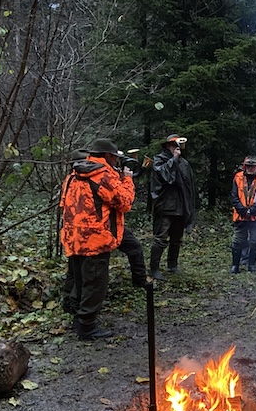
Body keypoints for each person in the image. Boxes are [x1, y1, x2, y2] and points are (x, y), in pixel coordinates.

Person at [60, 139, 135, 340]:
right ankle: (87, 326)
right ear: (108, 156)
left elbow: (65, 205)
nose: (116, 161)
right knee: (95, 283)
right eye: (115, 157)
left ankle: (78, 319)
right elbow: (125, 203)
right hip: (95, 239)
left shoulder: (72, 175)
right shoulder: (103, 175)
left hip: (73, 237)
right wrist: (127, 180)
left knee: (79, 280)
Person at [149, 133, 197, 281]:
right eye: (174, 145)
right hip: (165, 206)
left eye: (178, 146)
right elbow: (165, 177)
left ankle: (172, 265)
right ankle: (154, 269)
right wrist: (174, 159)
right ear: (168, 146)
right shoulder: (159, 160)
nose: (177, 148)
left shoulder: (184, 163)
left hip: (181, 206)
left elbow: (190, 186)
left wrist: (190, 207)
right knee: (161, 238)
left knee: (177, 238)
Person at [229, 156, 256, 274]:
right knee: (237, 241)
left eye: (253, 166)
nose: (250, 168)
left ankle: (251, 264)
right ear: (245, 166)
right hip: (241, 216)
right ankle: (235, 265)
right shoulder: (237, 178)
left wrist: (252, 211)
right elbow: (234, 197)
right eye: (248, 166)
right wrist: (243, 210)